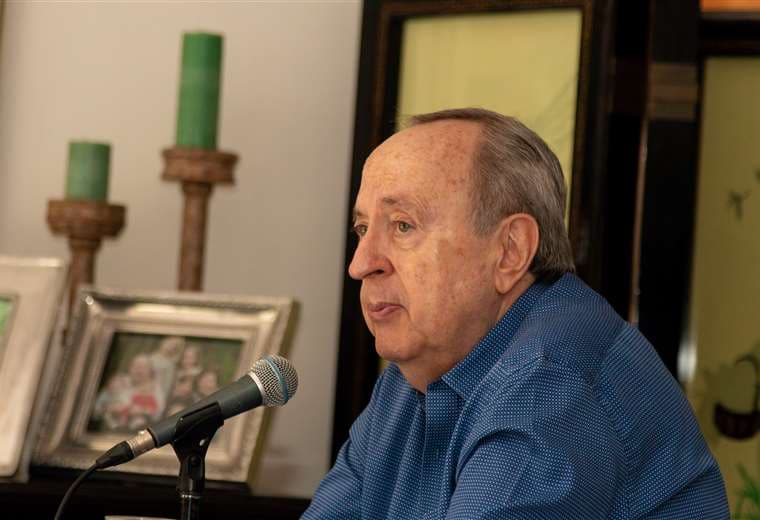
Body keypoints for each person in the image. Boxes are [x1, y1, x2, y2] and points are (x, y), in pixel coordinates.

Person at [303, 108, 728, 519]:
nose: (361, 264)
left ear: (510, 251)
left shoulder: (553, 385)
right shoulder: (411, 378)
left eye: (403, 225)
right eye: (362, 229)